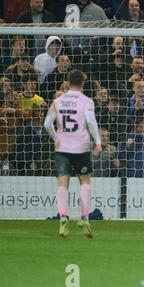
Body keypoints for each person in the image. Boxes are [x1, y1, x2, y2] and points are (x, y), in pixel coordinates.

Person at [43, 69, 102, 239]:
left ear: (68, 82)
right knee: (84, 182)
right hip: (81, 148)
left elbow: (47, 124)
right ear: (82, 83)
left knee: (63, 184)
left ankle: (62, 217)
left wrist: (56, 137)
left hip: (62, 149)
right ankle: (84, 217)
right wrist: (98, 142)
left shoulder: (58, 101)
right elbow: (91, 122)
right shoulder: (87, 101)